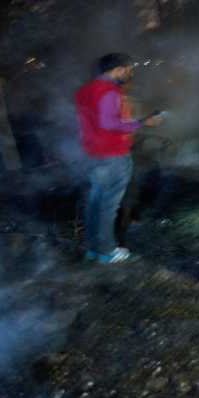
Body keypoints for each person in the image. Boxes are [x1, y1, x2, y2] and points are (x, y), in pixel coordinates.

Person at [74, 53, 162, 264]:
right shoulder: (109, 91)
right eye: (129, 70)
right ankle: (106, 251)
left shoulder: (84, 91)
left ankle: (93, 249)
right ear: (118, 69)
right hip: (112, 155)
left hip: (93, 154)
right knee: (108, 205)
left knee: (95, 203)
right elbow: (109, 123)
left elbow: (92, 122)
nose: (130, 74)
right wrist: (143, 123)